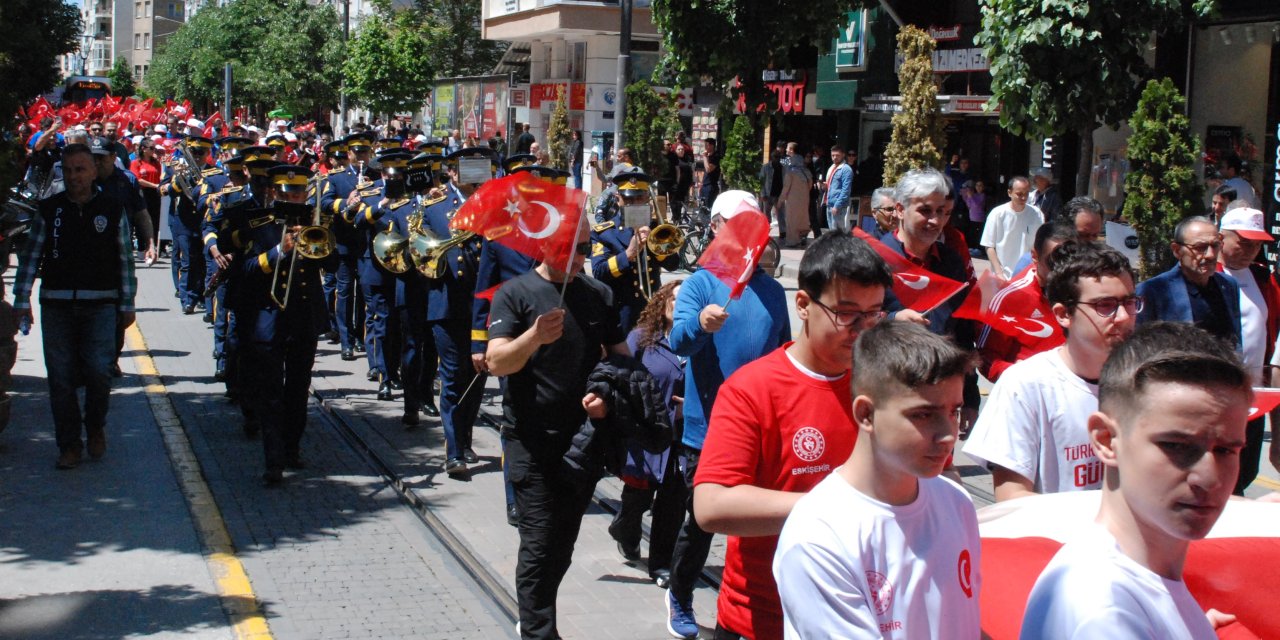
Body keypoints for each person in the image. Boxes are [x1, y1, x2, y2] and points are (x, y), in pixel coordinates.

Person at [691, 231, 893, 640]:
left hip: (867, 620)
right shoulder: (752, 389)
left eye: (875, 315)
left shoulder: (887, 383)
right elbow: (711, 506)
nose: (863, 330)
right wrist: (837, 509)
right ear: (803, 305)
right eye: (848, 314)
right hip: (764, 621)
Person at [1020, 322, 1250, 639]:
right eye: (1177, 446)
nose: (1208, 477)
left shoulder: (1126, 587)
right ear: (1105, 439)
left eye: (1226, 450)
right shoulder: (1104, 611)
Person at [774, 321, 981, 639]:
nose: (948, 435)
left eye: (953, 411)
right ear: (866, 414)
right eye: (923, 415)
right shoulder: (818, 537)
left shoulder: (956, 503)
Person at [485, 215, 627, 640]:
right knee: (538, 543)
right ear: (545, 247)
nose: (579, 257)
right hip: (530, 442)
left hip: (580, 443)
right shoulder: (514, 294)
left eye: (586, 248)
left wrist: (609, 391)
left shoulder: (598, 293)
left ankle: (534, 614)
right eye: (571, 248)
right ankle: (538, 631)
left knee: (562, 545)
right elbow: (496, 362)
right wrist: (533, 338)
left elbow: (619, 358)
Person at [663, 191, 791, 640]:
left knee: (760, 525)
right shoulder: (700, 282)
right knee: (701, 525)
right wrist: (700, 324)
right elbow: (678, 341)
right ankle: (679, 595)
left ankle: (753, 604)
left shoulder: (773, 291)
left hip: (763, 429)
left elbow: (785, 355)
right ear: (718, 228)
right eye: (738, 226)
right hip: (709, 426)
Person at [967, 242, 1139, 501]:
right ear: (1063, 314)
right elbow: (1012, 499)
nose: (1124, 316)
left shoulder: (1147, 381)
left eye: (1130, 302)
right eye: (1105, 305)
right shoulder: (1025, 385)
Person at [12, 143, 137, 470]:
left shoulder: (111, 208)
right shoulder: (49, 208)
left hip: (101, 304)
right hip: (57, 304)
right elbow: (31, 257)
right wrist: (21, 297)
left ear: (94, 171)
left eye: (80, 170)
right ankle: (69, 445)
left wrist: (127, 304)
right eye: (67, 171)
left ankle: (95, 424)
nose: (74, 177)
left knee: (99, 371)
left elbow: (125, 259)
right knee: (61, 378)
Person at [238, 164, 329, 485]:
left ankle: (292, 448)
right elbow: (245, 270)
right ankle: (273, 460)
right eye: (289, 192)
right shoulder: (257, 223)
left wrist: (320, 239)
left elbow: (333, 262)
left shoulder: (313, 222)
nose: (295, 196)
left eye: (300, 192)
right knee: (272, 392)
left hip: (304, 319)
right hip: (270, 319)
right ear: (275, 193)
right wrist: (278, 251)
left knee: (298, 390)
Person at [881, 168, 980, 434]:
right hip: (887, 392)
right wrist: (892, 319)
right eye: (926, 211)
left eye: (943, 212)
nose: (936, 221)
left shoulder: (951, 262)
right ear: (900, 210)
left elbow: (961, 331)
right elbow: (849, 322)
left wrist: (970, 394)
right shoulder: (872, 258)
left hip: (940, 393)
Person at [608, 281, 687, 587]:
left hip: (681, 435)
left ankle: (661, 564)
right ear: (663, 302)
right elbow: (619, 371)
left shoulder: (699, 340)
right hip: (646, 433)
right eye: (675, 298)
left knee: (672, 503)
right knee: (638, 498)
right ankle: (625, 530)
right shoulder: (643, 338)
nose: (680, 305)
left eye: (687, 300)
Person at [1216, 207, 1280, 494]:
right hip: (1217, 399)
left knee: (1246, 470)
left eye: (1256, 244)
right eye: (1243, 242)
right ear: (1220, 238)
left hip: (1255, 397)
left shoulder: (1265, 280)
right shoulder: (1207, 277)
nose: (1250, 250)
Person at [977, 218, 1077, 382]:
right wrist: (1020, 375)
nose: (1062, 268)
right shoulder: (1010, 298)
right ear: (1035, 256)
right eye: (1053, 261)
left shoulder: (1086, 291)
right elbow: (985, 356)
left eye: (1069, 259)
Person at [590, 171, 680, 331]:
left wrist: (655, 245)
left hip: (651, 309)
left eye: (639, 198)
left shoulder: (656, 229)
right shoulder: (604, 233)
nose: (634, 204)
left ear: (647, 199)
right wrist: (628, 254)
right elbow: (598, 272)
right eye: (628, 199)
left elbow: (673, 265)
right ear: (618, 199)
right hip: (620, 312)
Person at [1137, 216, 1241, 349]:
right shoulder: (1153, 291)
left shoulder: (1228, 285)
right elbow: (1141, 347)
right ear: (1177, 250)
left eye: (1215, 246)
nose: (1210, 254)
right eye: (1200, 247)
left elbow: (1235, 339)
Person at [1010, 196, 1105, 275]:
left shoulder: (1098, 266)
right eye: (1083, 235)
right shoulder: (1031, 265)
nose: (1090, 243)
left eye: (1095, 235)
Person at [981, 176, 1043, 283]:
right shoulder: (997, 214)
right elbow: (989, 246)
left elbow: (1041, 244)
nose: (1023, 198)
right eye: (1019, 194)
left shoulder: (1037, 214)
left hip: (1028, 276)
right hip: (1003, 277)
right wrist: (999, 273)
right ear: (1009, 193)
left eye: (1026, 194)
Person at [779, 142, 812, 248]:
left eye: (788, 148)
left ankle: (792, 241)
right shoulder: (806, 170)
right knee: (802, 219)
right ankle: (802, 236)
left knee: (791, 221)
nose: (786, 150)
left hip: (792, 200)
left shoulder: (790, 171)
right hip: (804, 199)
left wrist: (780, 201)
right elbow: (809, 185)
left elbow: (786, 188)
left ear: (792, 151)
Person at [822, 146, 854, 233]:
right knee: (832, 232)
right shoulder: (832, 167)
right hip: (829, 203)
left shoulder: (846, 169)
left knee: (839, 233)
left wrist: (837, 205)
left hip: (838, 206)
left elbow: (846, 190)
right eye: (833, 155)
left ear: (843, 155)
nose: (834, 157)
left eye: (837, 155)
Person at [699, 138, 721, 207]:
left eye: (706, 145)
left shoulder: (716, 156)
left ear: (712, 146)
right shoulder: (709, 156)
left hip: (711, 186)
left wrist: (705, 157)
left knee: (708, 208)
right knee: (702, 207)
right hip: (705, 185)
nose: (705, 147)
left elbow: (708, 169)